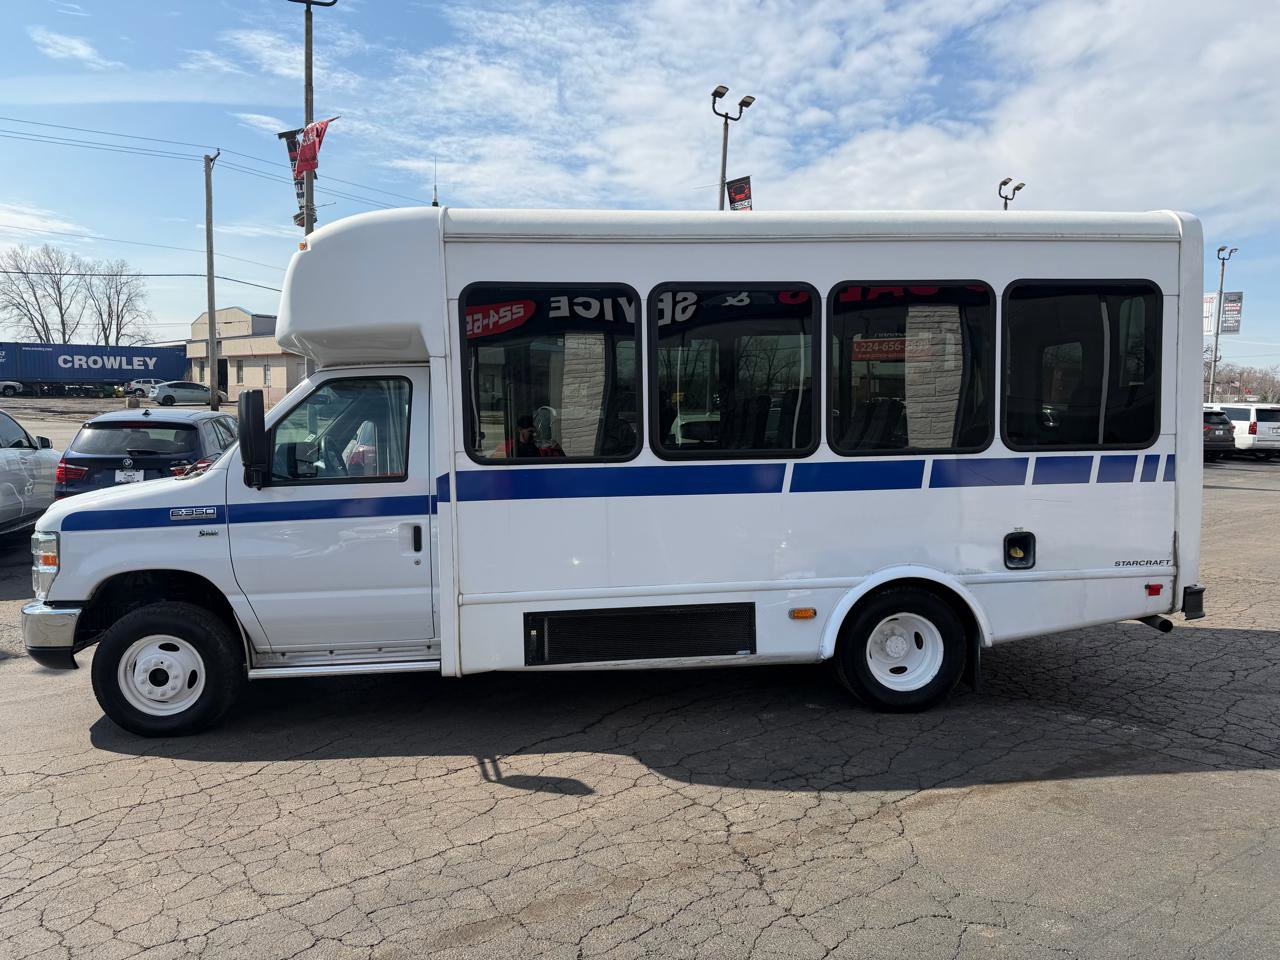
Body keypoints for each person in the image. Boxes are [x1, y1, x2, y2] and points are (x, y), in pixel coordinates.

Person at [494, 414, 563, 459]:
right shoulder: (516, 450)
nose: (533, 434)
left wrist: (554, 449)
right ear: (520, 430)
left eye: (534, 432)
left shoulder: (535, 445)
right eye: (530, 431)